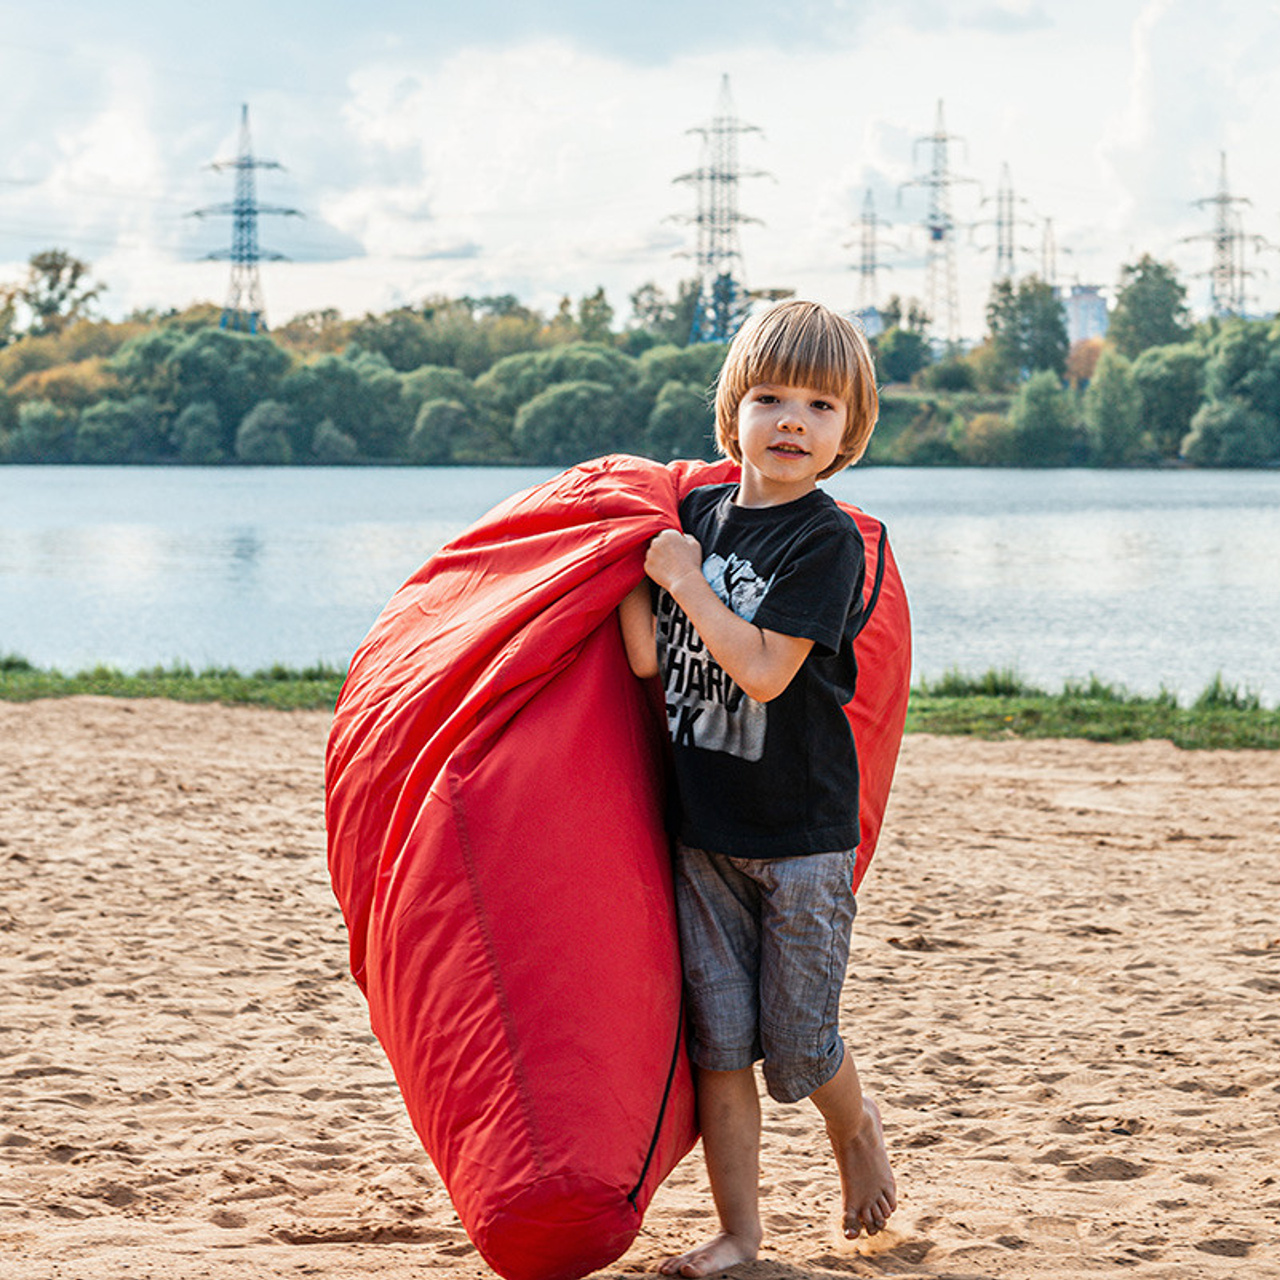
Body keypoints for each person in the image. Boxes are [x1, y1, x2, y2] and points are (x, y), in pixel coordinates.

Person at [618, 299, 896, 1276]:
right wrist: (627, 570)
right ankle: (739, 1231)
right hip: (703, 835)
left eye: (819, 406)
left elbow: (766, 670)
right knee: (720, 1047)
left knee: (799, 1044)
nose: (790, 420)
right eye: (770, 396)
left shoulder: (822, 541)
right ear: (731, 406)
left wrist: (688, 581)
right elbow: (649, 659)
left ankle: (853, 1128)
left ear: (845, 433)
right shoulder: (693, 519)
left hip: (801, 838)